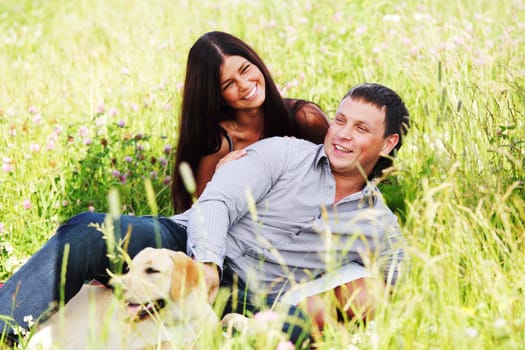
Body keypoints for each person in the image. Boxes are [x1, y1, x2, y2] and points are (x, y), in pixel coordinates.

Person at [0, 83, 409, 347]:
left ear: (387, 142)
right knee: (90, 233)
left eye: (360, 128)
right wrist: (208, 264)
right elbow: (217, 202)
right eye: (339, 120)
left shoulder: (376, 224)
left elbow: (397, 283)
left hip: (249, 302)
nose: (341, 134)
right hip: (188, 246)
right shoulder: (284, 153)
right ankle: (5, 329)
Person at [171, 31, 330, 213]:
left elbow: (346, 176)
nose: (245, 84)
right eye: (228, 84)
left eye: (245, 69)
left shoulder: (305, 118)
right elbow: (197, 216)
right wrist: (220, 177)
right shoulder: (220, 143)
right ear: (218, 96)